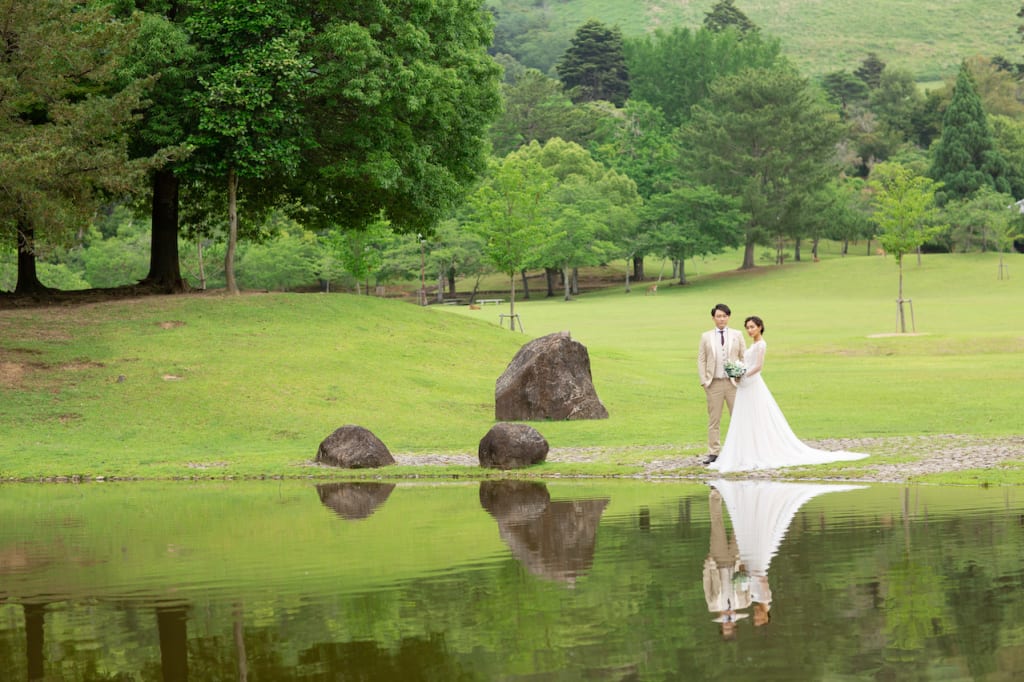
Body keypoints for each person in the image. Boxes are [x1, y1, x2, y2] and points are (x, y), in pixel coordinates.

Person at [709, 316, 868, 472]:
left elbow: (758, 366)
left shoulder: (761, 345)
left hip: (752, 383)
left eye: (752, 327)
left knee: (757, 415)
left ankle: (760, 451)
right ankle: (744, 451)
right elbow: (747, 363)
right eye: (748, 328)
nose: (750, 330)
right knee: (745, 416)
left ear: (760, 327)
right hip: (745, 385)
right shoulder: (752, 345)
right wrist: (738, 372)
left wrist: (743, 374)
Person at [697, 304, 746, 465]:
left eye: (724, 316)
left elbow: (743, 356)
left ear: (728, 317)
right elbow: (702, 359)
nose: (721, 319)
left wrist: (740, 374)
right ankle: (714, 452)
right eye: (718, 316)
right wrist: (704, 381)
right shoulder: (706, 336)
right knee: (714, 419)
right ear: (713, 318)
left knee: (737, 418)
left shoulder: (737, 334)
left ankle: (740, 451)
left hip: (733, 384)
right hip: (714, 383)